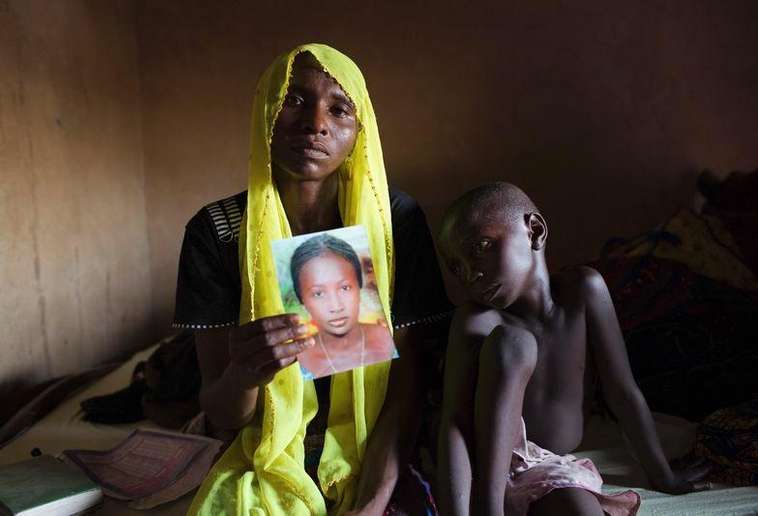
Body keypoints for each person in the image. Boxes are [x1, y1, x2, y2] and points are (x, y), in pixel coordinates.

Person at [173, 44, 452, 515]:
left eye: (339, 109)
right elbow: (223, 414)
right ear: (266, 110)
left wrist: (370, 505)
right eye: (294, 100)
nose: (315, 123)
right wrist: (244, 374)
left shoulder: (392, 223)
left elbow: (406, 393)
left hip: (378, 447)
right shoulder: (216, 231)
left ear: (360, 131)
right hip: (265, 448)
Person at [436, 182, 711, 516]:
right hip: (482, 474)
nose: (470, 273)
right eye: (456, 266)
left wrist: (663, 475)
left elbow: (622, 392)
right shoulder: (477, 320)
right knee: (514, 344)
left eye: (480, 247)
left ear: (534, 230)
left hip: (541, 466)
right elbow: (454, 422)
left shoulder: (583, 291)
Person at [290, 233, 396, 379]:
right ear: (302, 302)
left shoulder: (385, 338)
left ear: (359, 288)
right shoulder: (296, 356)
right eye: (318, 294)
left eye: (345, 288)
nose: (336, 306)